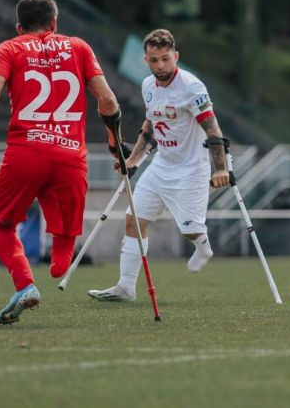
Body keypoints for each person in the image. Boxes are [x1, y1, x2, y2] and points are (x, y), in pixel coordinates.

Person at [0, 0, 121, 324]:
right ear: (54, 22)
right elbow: (107, 100)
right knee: (65, 229)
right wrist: (114, 144)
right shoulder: (79, 47)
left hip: (26, 153)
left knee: (0, 224)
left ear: (19, 27)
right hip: (70, 157)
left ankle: (25, 284)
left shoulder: (9, 48)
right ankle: (60, 262)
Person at [88, 29, 230, 302]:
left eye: (166, 59)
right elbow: (151, 125)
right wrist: (134, 160)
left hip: (191, 168)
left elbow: (212, 128)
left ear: (175, 56)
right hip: (161, 165)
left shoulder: (192, 87)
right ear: (146, 60)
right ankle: (126, 287)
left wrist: (220, 168)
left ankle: (203, 246)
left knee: (189, 230)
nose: (161, 66)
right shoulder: (147, 87)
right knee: (134, 220)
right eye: (154, 60)